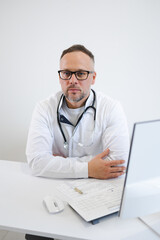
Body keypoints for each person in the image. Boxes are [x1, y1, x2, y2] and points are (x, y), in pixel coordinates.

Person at [25, 44, 129, 240]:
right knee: (36, 233)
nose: (72, 80)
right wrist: (90, 168)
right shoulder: (44, 108)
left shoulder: (111, 108)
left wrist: (57, 162)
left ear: (93, 77)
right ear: (60, 76)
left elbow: (118, 161)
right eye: (66, 73)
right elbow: (37, 162)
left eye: (80, 73)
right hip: (54, 189)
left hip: (96, 191)